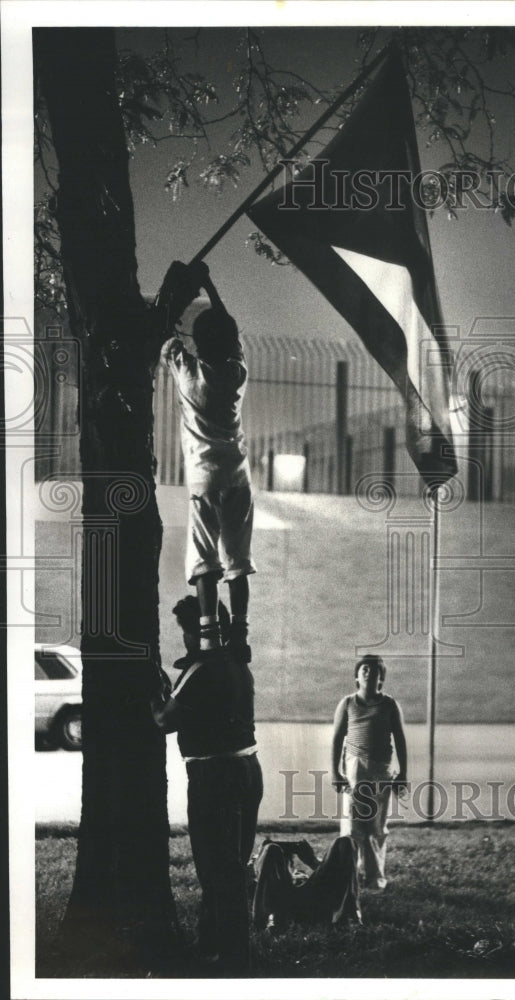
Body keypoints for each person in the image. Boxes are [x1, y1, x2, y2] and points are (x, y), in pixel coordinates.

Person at [151, 597, 263, 976]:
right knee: (231, 864)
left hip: (215, 776)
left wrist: (156, 689)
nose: (183, 639)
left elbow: (164, 721)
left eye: (186, 630)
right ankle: (214, 945)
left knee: (217, 869)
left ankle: (230, 959)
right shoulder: (236, 663)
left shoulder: (203, 668)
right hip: (248, 767)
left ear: (200, 631)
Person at [156, 260, 255, 661]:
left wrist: (184, 290)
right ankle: (241, 634)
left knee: (204, 564)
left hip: (203, 480)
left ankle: (210, 636)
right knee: (238, 563)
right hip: (238, 476)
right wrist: (210, 284)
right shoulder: (236, 373)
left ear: (198, 342)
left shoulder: (187, 371)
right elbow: (229, 331)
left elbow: (163, 331)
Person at [331, 655, 408, 890]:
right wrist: (335, 772)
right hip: (354, 768)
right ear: (356, 676)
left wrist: (403, 773)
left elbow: (400, 740)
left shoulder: (389, 705)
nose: (369, 673)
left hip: (380, 769)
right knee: (352, 826)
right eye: (364, 669)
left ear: (381, 678)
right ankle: (350, 877)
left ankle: (375, 879)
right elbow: (336, 739)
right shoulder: (347, 703)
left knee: (376, 825)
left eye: (375, 671)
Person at [252, 836, 361, 931]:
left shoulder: (304, 874)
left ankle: (350, 914)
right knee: (271, 848)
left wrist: (311, 860)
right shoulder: (265, 867)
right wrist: (264, 850)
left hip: (312, 897)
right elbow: (253, 878)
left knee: (346, 842)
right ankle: (271, 917)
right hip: (282, 900)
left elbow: (330, 877)